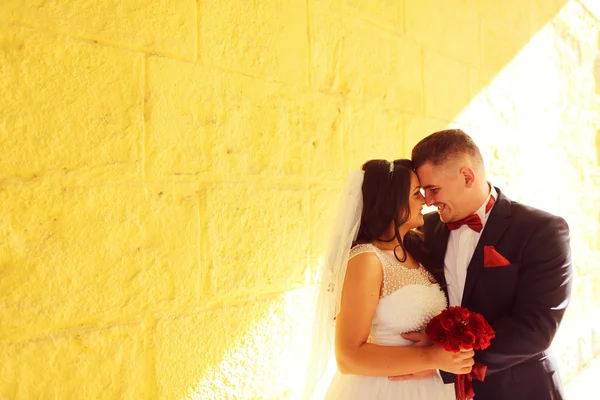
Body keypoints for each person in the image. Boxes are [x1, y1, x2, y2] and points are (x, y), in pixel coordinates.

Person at [397, 129, 573, 400]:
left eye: (433, 190)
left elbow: (536, 328)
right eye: (423, 192)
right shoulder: (424, 231)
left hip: (519, 389)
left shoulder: (542, 230)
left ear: (467, 176)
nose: (428, 202)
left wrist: (443, 363)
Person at [305, 159, 474, 400]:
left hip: (429, 387)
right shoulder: (366, 259)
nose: (425, 200)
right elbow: (348, 357)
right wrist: (433, 357)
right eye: (416, 193)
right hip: (382, 390)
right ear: (391, 202)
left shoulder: (415, 252)